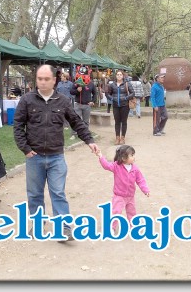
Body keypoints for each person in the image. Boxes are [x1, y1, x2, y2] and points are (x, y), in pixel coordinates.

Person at [13, 64, 100, 241]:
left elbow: (76, 122)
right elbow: (17, 127)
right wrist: (26, 149)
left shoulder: (63, 101)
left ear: (54, 80)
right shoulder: (26, 100)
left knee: (58, 193)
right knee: (35, 194)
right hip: (34, 157)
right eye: (39, 79)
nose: (42, 82)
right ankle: (37, 225)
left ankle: (64, 229)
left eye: (46, 79)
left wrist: (89, 141)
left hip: (56, 157)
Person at [95, 145, 150, 231]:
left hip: (130, 196)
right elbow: (106, 165)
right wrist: (100, 156)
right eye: (131, 155)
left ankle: (133, 226)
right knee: (116, 212)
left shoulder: (135, 169)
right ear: (124, 158)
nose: (133, 157)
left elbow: (140, 180)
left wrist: (145, 190)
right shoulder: (116, 166)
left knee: (132, 212)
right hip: (119, 196)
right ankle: (111, 227)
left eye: (133, 155)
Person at [106, 70, 135, 145]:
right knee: (117, 122)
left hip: (125, 105)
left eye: (120, 74)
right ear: (116, 76)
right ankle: (117, 137)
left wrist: (126, 98)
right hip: (115, 106)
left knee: (124, 122)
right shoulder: (112, 85)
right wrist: (112, 98)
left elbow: (132, 93)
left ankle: (123, 137)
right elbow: (107, 93)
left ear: (123, 76)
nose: (119, 76)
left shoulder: (127, 84)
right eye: (118, 74)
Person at [70, 72, 97, 140]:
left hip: (87, 105)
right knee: (75, 120)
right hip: (78, 104)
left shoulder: (91, 84)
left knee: (86, 121)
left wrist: (93, 101)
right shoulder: (77, 82)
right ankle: (74, 134)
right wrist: (77, 90)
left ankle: (85, 134)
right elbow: (71, 91)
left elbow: (95, 94)